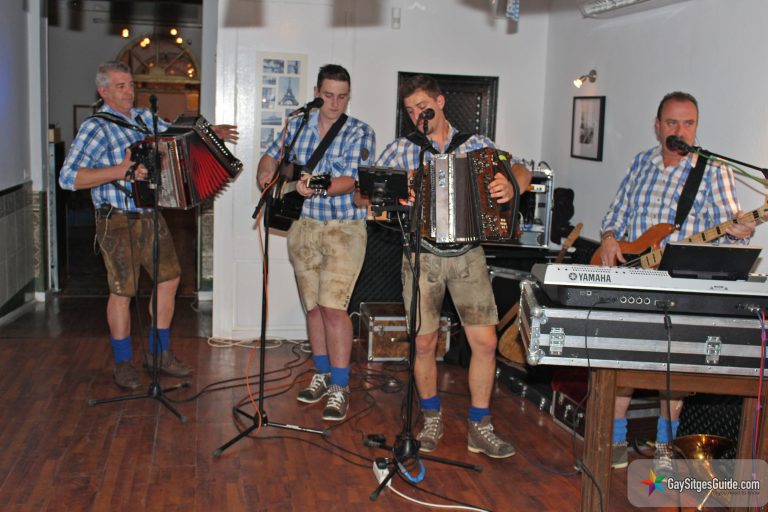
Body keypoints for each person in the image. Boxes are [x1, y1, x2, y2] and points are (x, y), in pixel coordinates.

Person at [375, 75, 531, 459]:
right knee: (424, 343)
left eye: (423, 106)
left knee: (486, 342)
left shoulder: (475, 145)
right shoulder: (401, 150)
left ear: (441, 102)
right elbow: (372, 200)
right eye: (410, 110)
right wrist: (397, 196)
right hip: (422, 255)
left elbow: (523, 169)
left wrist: (512, 185)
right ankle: (431, 418)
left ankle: (480, 426)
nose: (418, 115)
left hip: (467, 255)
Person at [598, 91, 755, 472]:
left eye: (688, 123)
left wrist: (742, 231)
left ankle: (666, 448)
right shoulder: (641, 162)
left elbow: (731, 230)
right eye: (672, 122)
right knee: (624, 358)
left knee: (673, 371)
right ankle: (615, 439)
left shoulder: (713, 171)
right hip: (635, 277)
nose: (680, 131)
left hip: (681, 284)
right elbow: (616, 214)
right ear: (657, 126)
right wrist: (609, 238)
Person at [59, 61, 239, 391]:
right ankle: (123, 362)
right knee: (122, 291)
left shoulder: (144, 118)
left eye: (131, 85)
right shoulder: (96, 128)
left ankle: (158, 353)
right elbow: (68, 177)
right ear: (103, 91)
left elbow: (177, 136)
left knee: (169, 279)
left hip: (150, 213)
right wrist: (120, 171)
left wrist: (210, 133)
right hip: (116, 219)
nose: (129, 91)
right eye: (120, 86)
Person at [257, 64, 376, 421]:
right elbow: (271, 154)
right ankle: (321, 375)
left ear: (349, 96)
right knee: (313, 308)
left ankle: (340, 386)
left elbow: (352, 180)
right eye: (328, 95)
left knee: (333, 308)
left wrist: (315, 185)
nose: (334, 103)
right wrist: (265, 170)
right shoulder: (296, 124)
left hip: (343, 229)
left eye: (342, 96)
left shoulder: (360, 131)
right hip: (302, 226)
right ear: (315, 92)